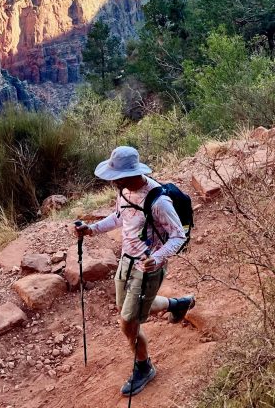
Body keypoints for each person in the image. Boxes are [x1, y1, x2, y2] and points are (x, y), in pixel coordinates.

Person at [71, 145, 195, 397]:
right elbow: (119, 217)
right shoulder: (125, 190)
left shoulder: (158, 201)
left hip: (148, 269)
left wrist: (157, 258)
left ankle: (144, 367)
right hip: (126, 261)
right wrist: (91, 229)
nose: (112, 180)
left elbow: (178, 236)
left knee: (128, 322)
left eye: (116, 176)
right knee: (126, 309)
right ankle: (177, 304)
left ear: (131, 173)